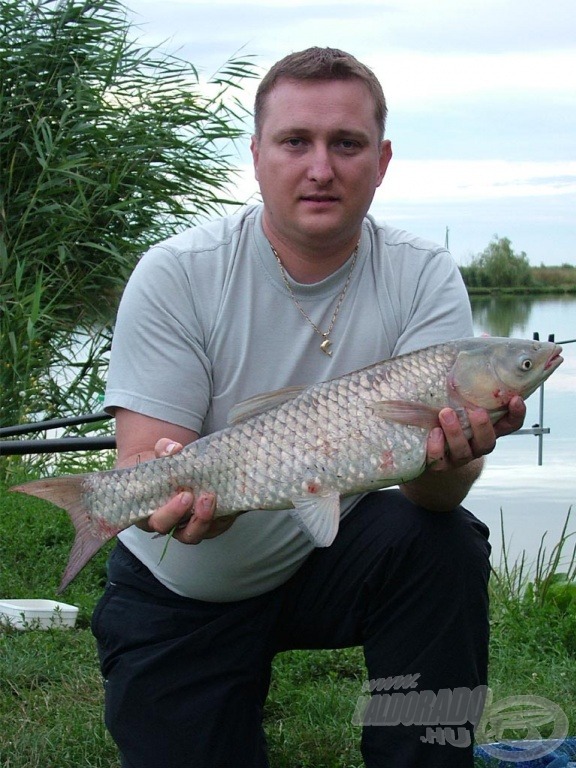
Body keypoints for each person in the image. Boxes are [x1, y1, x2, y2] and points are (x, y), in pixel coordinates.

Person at [92, 47, 526, 768]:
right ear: (257, 154)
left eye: (346, 144)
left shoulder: (422, 274)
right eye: (296, 141)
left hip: (326, 552)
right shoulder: (177, 272)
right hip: (184, 583)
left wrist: (457, 457)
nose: (321, 168)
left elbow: (430, 493)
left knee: (443, 542)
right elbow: (144, 462)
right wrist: (188, 499)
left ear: (381, 161)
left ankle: (420, 752)